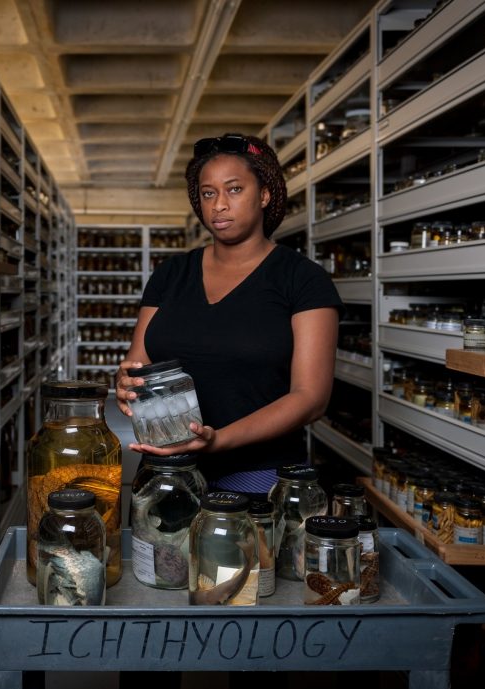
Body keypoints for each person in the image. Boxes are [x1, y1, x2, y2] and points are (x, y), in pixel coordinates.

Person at [114, 133, 342, 493]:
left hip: (259, 475)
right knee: (158, 551)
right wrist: (126, 385)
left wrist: (217, 440)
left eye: (234, 189)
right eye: (208, 193)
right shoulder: (170, 274)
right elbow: (138, 364)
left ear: (264, 195)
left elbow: (310, 398)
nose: (219, 204)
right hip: (166, 472)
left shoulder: (302, 279)